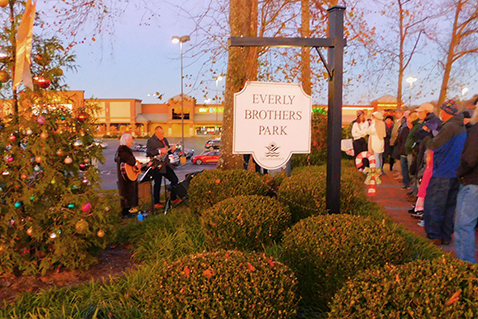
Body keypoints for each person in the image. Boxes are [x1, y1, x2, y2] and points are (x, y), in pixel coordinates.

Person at [423, 100, 467, 246]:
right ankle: (446, 236)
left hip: (442, 172)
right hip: (455, 172)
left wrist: (428, 136)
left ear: (446, 112)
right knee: (449, 207)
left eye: (442, 111)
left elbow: (435, 145)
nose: (440, 113)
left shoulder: (449, 127)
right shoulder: (461, 127)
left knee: (434, 205)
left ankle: (434, 236)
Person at [454, 107, 478, 262]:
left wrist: (459, 173)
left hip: (473, 182)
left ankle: (467, 267)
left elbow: (470, 158)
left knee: (464, 226)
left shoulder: (476, 130)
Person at [146, 126, 182, 209]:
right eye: (161, 133)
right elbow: (149, 152)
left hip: (166, 164)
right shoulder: (151, 141)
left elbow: (167, 152)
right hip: (157, 165)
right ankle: (156, 202)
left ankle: (173, 198)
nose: (163, 135)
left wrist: (171, 150)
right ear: (156, 133)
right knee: (157, 183)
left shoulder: (164, 140)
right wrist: (159, 151)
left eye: (163, 133)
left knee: (174, 180)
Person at [115, 133, 140, 218]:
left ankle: (129, 209)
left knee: (129, 192)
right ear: (125, 141)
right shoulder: (123, 150)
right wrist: (136, 163)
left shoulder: (124, 150)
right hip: (125, 176)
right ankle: (126, 211)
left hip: (127, 175)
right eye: (130, 140)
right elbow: (130, 160)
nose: (132, 141)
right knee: (126, 192)